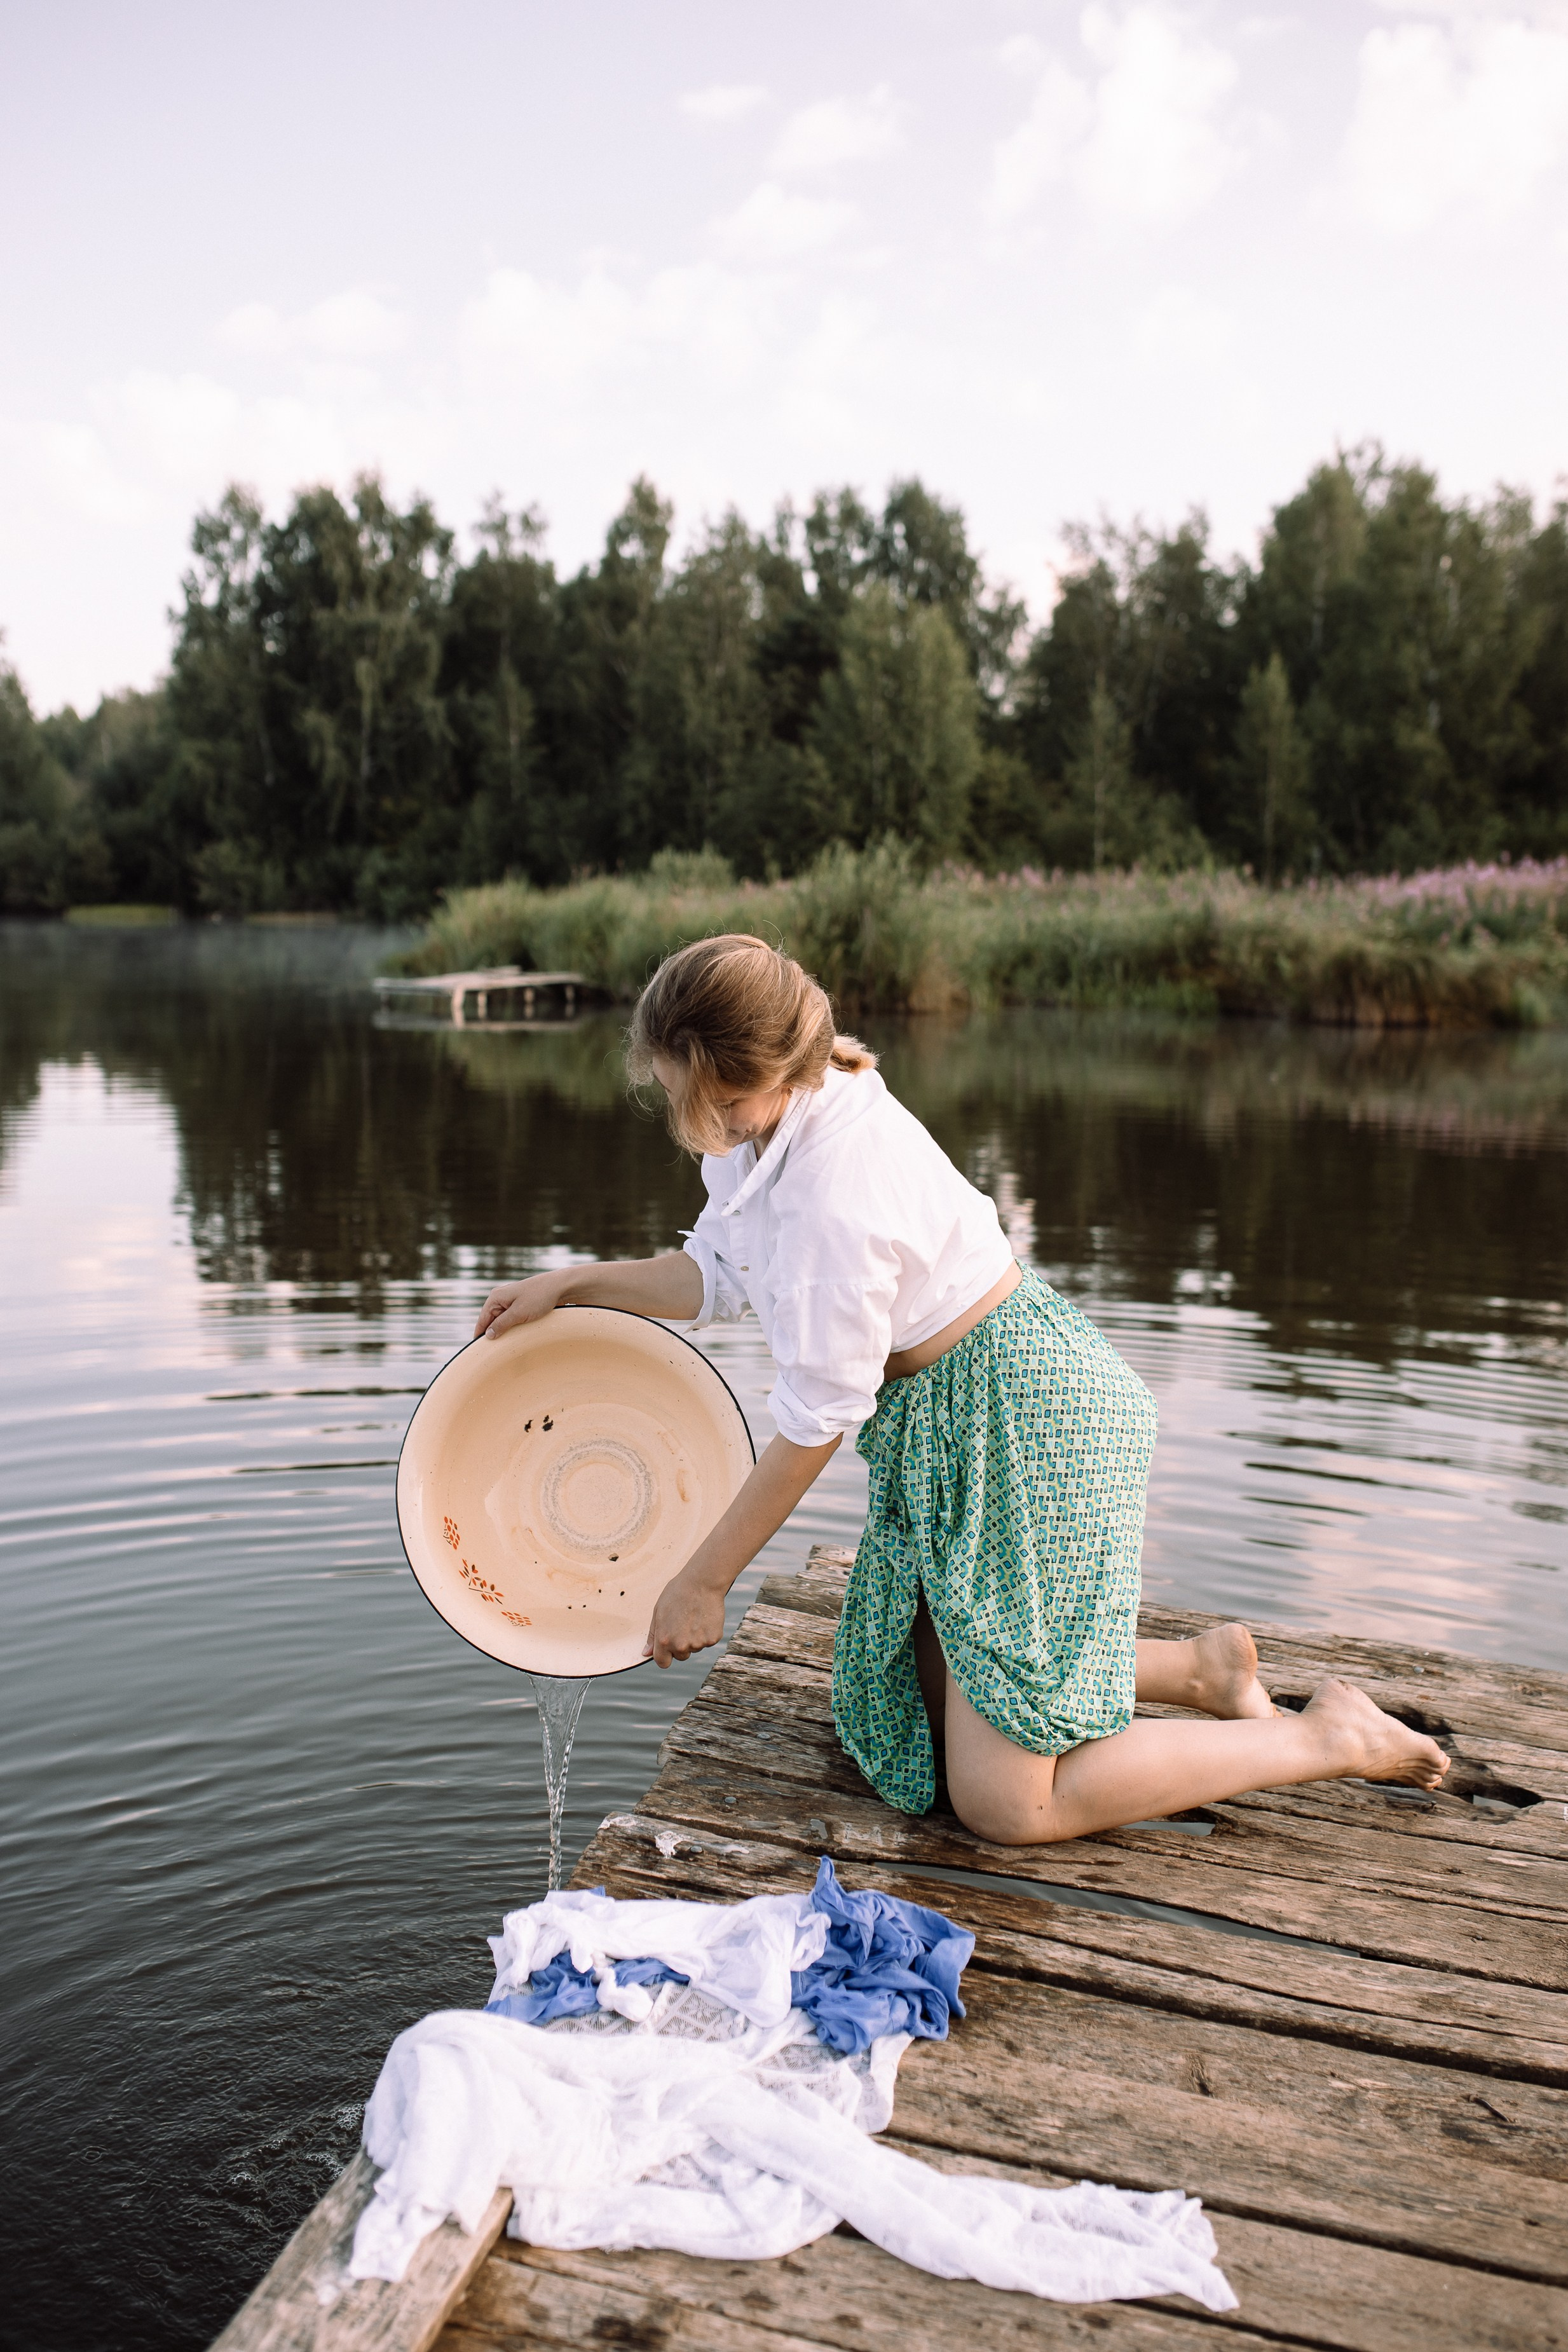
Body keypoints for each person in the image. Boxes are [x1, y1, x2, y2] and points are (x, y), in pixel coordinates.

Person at [475, 934, 1449, 1845]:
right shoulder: (776, 1122)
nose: (697, 1126)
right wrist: (572, 1285)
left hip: (1020, 1420)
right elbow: (722, 1276)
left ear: (758, 1073)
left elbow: (818, 1420)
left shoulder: (831, 1195)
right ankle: (1201, 1670)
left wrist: (702, 1580)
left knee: (1007, 1804)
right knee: (901, 1697)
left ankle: (1325, 1739)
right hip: (961, 1412)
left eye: (710, 1105)